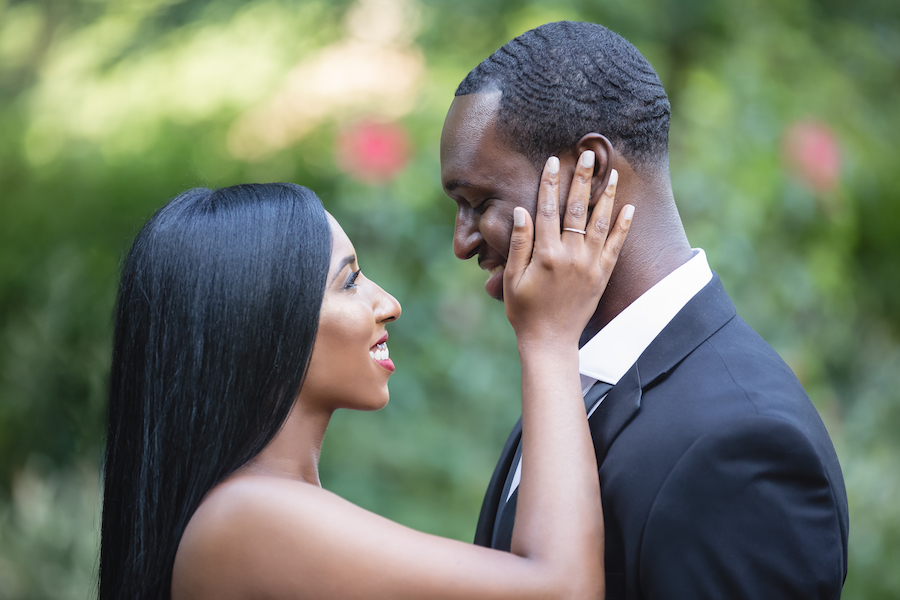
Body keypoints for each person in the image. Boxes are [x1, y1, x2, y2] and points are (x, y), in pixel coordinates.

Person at [440, 20, 849, 599]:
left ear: (593, 172)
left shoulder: (741, 444)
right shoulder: (568, 374)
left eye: (479, 202)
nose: (462, 241)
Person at [99, 176, 633, 599]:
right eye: (350, 281)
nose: (389, 304)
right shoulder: (248, 517)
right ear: (262, 320)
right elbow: (562, 590)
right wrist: (550, 339)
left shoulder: (261, 510)